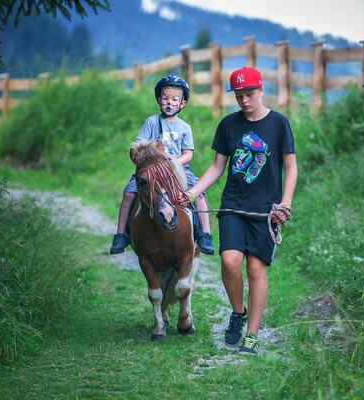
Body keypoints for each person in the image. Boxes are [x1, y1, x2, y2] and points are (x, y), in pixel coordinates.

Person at [177, 66, 297, 355]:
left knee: (256, 269)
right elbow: (218, 166)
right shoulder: (229, 125)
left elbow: (291, 167)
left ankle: (252, 335)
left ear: (261, 90)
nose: (244, 100)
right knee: (230, 262)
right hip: (233, 204)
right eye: (239, 95)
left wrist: (286, 204)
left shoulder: (279, 124)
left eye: (249, 94)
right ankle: (237, 311)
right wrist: (193, 192)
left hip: (266, 211)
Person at [110, 75, 215, 255]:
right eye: (165, 97)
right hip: (151, 170)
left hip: (179, 170)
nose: (169, 102)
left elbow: (188, 154)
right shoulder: (152, 122)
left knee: (199, 194)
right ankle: (121, 234)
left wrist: (172, 163)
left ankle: (205, 234)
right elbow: (139, 147)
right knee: (129, 194)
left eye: (175, 99)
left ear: (182, 103)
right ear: (159, 100)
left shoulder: (184, 127)